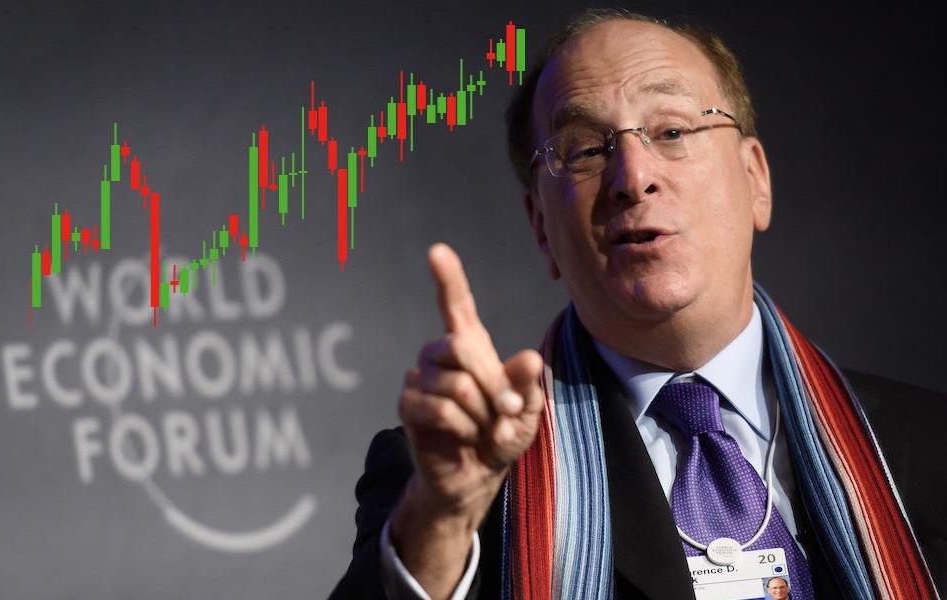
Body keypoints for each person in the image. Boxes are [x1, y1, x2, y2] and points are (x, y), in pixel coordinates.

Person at [330, 8, 944, 600]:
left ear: (755, 179)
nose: (633, 176)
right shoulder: (445, 481)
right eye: (585, 150)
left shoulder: (929, 439)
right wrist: (443, 519)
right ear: (541, 226)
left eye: (672, 131)